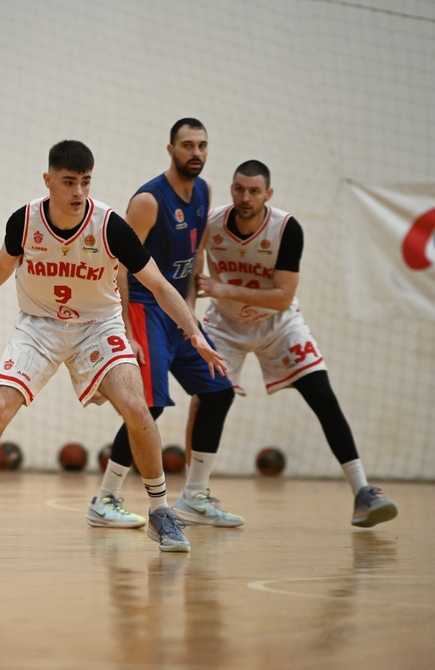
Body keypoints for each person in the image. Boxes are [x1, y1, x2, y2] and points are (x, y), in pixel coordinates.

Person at [0, 140, 226, 552]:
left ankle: (161, 512)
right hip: (39, 326)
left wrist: (194, 333)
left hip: (98, 326)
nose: (78, 192)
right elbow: (2, 266)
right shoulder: (24, 221)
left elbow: (160, 285)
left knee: (137, 405)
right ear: (48, 180)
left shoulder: (109, 226)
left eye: (85, 182)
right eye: (69, 182)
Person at [195, 160, 398, 527]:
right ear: (231, 189)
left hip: (278, 324)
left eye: (254, 191)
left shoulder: (286, 228)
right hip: (225, 325)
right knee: (212, 398)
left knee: (322, 394)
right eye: (239, 189)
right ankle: (195, 496)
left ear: (268, 194)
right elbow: (192, 273)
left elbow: (283, 297)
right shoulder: (210, 223)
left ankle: (363, 492)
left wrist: (222, 288)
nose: (245, 197)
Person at [88, 118, 241, 530]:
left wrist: (189, 311)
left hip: (177, 311)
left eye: (202, 145)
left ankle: (194, 496)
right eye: (187, 145)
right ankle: (105, 498)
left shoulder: (204, 190)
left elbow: (196, 254)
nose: (196, 152)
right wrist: (126, 330)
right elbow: (118, 266)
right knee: (148, 404)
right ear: (171, 149)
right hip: (145, 307)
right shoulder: (148, 201)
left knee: (219, 391)